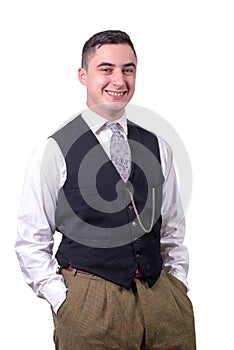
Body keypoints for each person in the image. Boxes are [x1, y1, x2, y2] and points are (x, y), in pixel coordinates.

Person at [15, 30, 196, 349]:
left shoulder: (158, 146)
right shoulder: (55, 150)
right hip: (91, 304)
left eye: (128, 69)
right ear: (83, 75)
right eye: (106, 69)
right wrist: (64, 300)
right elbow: (31, 238)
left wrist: (176, 287)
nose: (119, 79)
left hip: (161, 299)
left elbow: (172, 228)